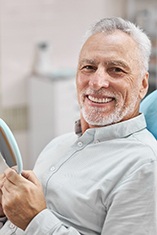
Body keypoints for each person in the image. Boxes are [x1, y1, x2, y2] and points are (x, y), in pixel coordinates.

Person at [0, 16, 157, 235]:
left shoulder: (145, 166)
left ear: (142, 84)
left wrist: (35, 220)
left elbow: (34, 219)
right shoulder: (58, 145)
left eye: (116, 70)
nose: (97, 82)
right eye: (89, 67)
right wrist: (7, 212)